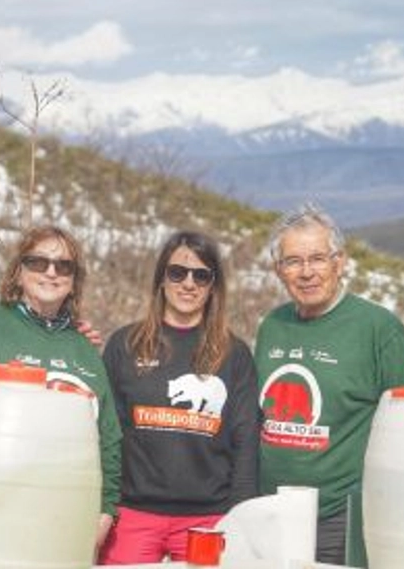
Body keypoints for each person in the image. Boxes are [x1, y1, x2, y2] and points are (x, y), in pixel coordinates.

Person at [254, 203, 404, 565]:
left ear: (340, 262)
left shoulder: (377, 329)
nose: (306, 272)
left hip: (340, 519)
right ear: (278, 270)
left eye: (317, 258)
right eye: (293, 261)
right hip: (270, 513)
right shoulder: (272, 326)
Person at [0, 225, 122, 557]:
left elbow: (108, 436)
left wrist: (106, 509)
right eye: (38, 262)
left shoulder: (85, 349)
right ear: (18, 271)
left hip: (67, 511)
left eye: (63, 266)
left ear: (74, 280)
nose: (51, 272)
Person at [99, 230, 259, 564]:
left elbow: (245, 442)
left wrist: (241, 517)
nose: (189, 283)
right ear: (161, 278)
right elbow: (106, 434)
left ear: (213, 285)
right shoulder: (124, 345)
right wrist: (105, 505)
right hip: (133, 514)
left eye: (201, 275)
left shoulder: (234, 354)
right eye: (177, 272)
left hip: (208, 519)